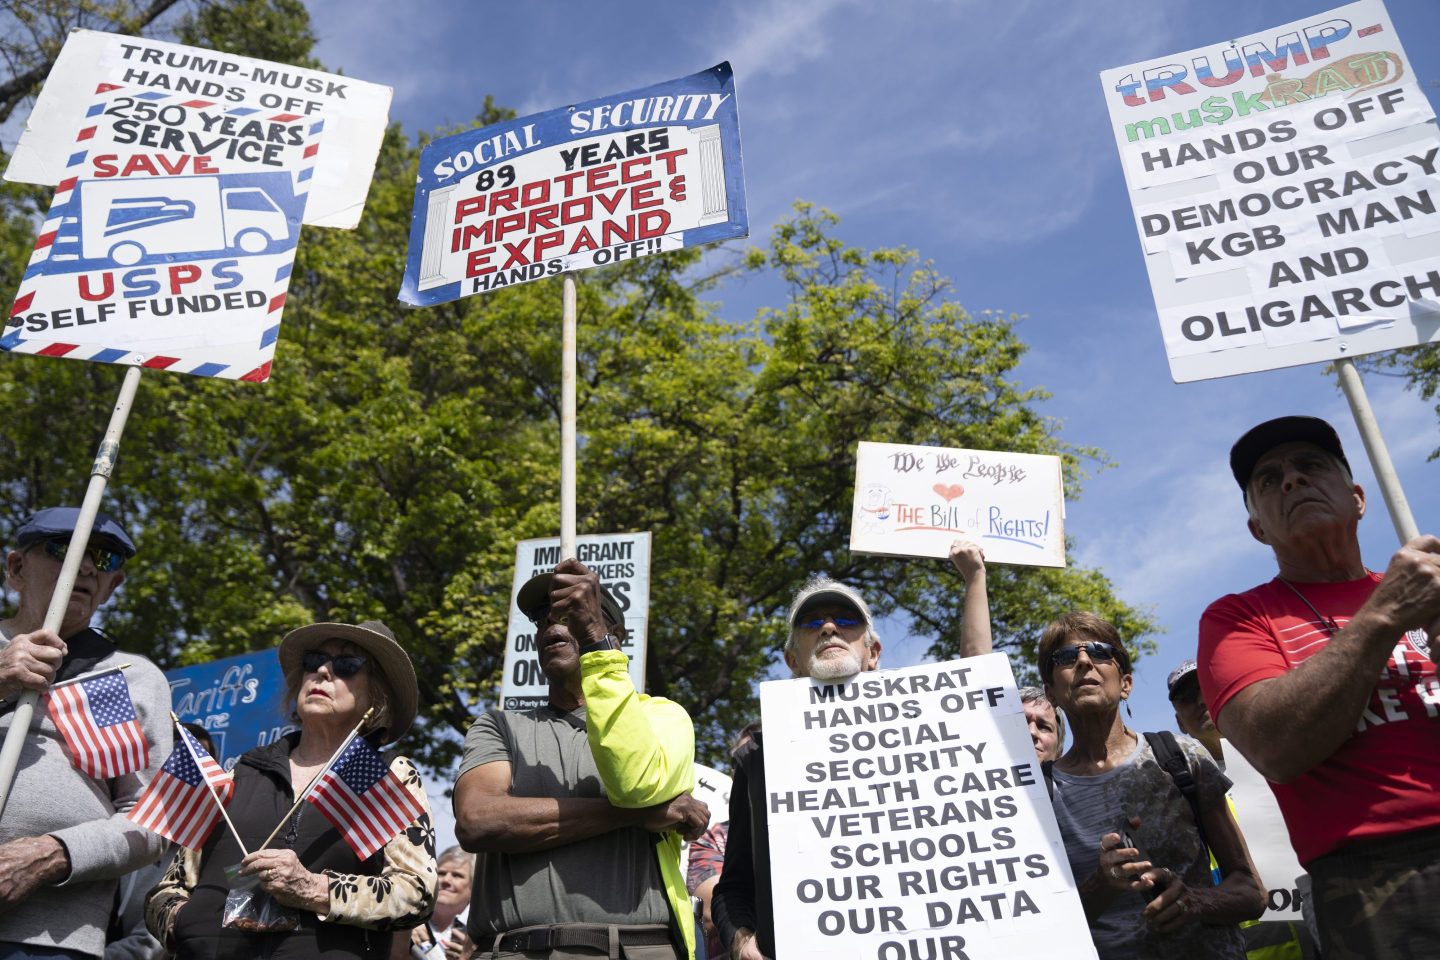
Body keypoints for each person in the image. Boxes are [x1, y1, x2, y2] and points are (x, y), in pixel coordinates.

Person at [1198, 415, 1440, 958]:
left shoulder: (1432, 591)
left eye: (1311, 466)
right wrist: (1383, 617)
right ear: (1258, 528)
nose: (1291, 480)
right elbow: (1275, 746)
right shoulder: (1238, 619)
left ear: (1357, 498)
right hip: (1377, 883)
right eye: (1268, 480)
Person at [453, 558, 708, 960]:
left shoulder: (662, 716)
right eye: (542, 619)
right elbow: (477, 821)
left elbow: (637, 787)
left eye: (573, 613)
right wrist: (631, 816)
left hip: (639, 948)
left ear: (615, 636)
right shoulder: (499, 725)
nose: (552, 626)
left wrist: (594, 641)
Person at [145, 619, 437, 959]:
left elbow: (416, 892)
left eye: (347, 665)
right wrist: (184, 923)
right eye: (314, 660)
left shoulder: (386, 774)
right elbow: (167, 889)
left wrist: (313, 889)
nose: (324, 671)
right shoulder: (239, 772)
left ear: (377, 692)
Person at [0, 506, 172, 959]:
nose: (90, 565)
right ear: (17, 569)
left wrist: (54, 854)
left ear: (111, 586)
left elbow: (152, 820)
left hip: (50, 941)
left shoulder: (127, 677)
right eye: (65, 548)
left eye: (105, 559)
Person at [1040, 611, 1264, 959]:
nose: (1084, 661)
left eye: (1100, 652)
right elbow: (1037, 927)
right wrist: (1102, 884)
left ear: (1125, 683)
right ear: (1050, 691)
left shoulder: (1180, 756)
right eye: (1066, 657)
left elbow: (1251, 892)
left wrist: (1194, 901)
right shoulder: (1039, 793)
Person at [712, 576, 883, 960]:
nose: (828, 627)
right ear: (792, 660)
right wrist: (742, 943)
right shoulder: (757, 759)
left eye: (846, 620)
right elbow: (733, 889)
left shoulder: (929, 733)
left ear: (873, 652)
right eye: (811, 623)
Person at [950, 538, 1066, 762]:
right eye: (1021, 722)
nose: (1031, 733)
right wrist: (975, 574)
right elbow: (976, 669)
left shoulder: (1070, 793)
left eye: (1044, 727)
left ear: (1060, 749)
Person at [407, 846, 472, 960]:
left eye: (457, 875)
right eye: (441, 873)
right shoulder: (408, 919)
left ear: (473, 886)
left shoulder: (484, 930)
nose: (446, 880)